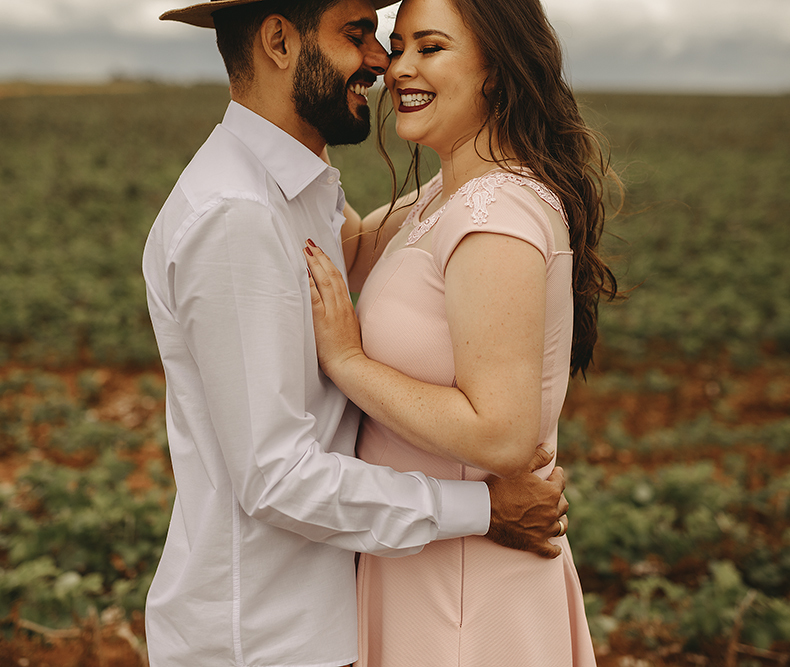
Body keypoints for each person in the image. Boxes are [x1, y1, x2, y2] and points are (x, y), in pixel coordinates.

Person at [141, 0, 572, 665]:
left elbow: (399, 236)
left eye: (410, 44)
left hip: (347, 608)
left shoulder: (299, 187)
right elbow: (277, 476)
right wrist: (482, 509)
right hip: (265, 636)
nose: (383, 63)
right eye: (360, 35)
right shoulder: (236, 215)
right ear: (279, 41)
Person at [303, 0, 621, 664]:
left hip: (466, 590)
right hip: (431, 560)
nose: (399, 68)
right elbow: (349, 247)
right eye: (398, 47)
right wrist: (298, 114)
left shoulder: (493, 215)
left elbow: (501, 434)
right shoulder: (449, 194)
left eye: (431, 47)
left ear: (496, 70)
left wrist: (347, 361)